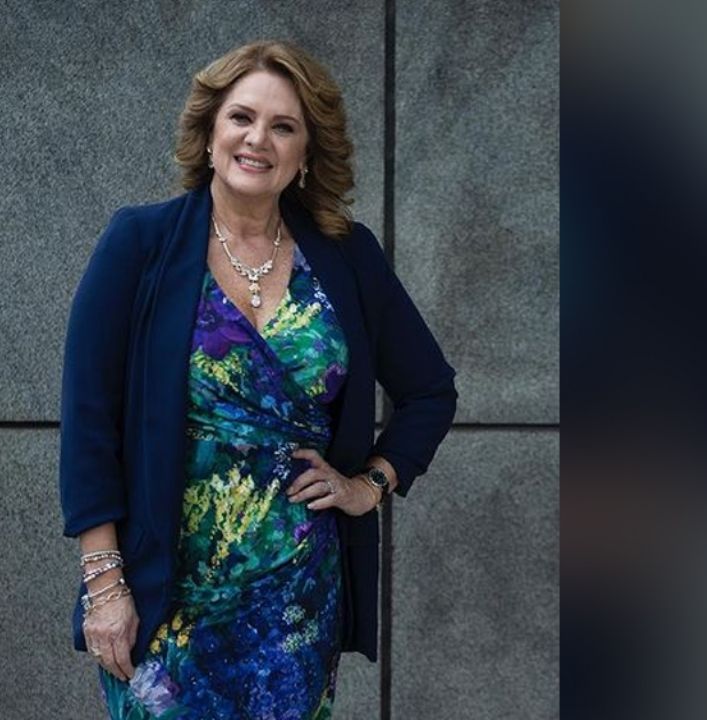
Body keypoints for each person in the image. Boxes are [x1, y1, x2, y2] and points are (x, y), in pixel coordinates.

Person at [59, 40, 457, 718]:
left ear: (306, 152)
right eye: (241, 117)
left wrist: (369, 485)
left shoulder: (347, 255)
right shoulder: (140, 243)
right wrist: (105, 585)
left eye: (283, 126)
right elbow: (89, 420)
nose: (257, 139)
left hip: (297, 601)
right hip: (167, 600)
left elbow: (429, 391)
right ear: (210, 131)